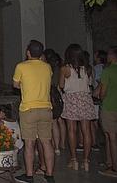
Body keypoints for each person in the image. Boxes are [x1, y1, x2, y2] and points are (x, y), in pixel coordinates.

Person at [13, 40, 55, 183]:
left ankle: (29, 175)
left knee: (29, 143)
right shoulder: (47, 67)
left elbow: (15, 84)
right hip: (46, 108)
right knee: (47, 142)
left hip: (28, 109)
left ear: (28, 52)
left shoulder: (21, 66)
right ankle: (49, 175)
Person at [59, 44, 97, 171]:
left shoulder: (65, 69)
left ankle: (74, 159)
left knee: (71, 130)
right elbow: (90, 84)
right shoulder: (88, 68)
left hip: (71, 99)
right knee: (86, 131)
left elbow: (61, 85)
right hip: (85, 99)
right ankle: (86, 160)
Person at [96, 46, 117, 178]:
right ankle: (110, 162)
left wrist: (99, 96)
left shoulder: (108, 71)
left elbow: (102, 93)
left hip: (110, 108)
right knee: (116, 138)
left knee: (112, 138)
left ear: (113, 56)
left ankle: (116, 168)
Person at [44, 49, 66, 155]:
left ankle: (54, 145)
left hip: (51, 96)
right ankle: (59, 145)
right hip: (58, 96)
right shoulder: (59, 68)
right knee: (57, 122)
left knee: (52, 122)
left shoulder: (46, 68)